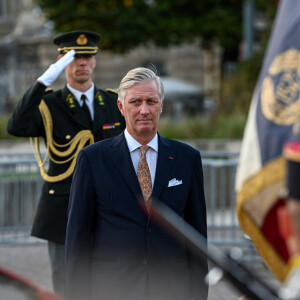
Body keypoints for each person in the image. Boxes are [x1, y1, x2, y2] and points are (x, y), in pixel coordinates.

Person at [65, 67, 208, 300]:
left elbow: (197, 238)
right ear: (121, 107)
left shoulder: (187, 159)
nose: (144, 110)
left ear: (161, 105)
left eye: (151, 101)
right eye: (136, 102)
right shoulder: (92, 159)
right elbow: (77, 241)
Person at [6, 30, 125, 298]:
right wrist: (44, 80)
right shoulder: (49, 104)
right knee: (67, 286)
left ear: (95, 61)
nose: (82, 63)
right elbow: (16, 125)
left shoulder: (113, 103)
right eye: (74, 57)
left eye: (87, 57)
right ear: (62, 61)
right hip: (63, 209)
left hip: (108, 207)